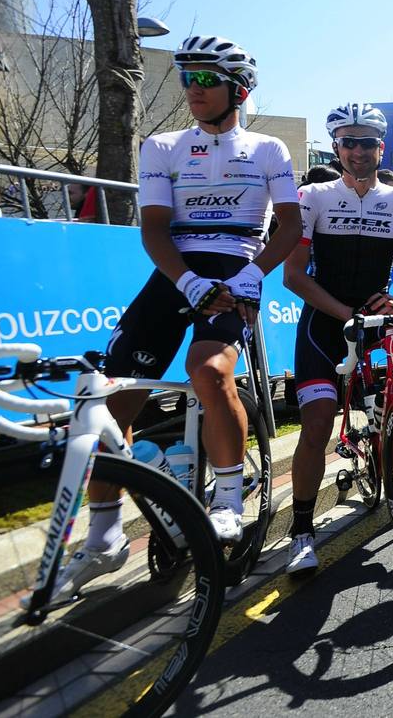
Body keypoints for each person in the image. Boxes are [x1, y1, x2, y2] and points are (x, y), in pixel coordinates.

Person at [64, 35, 300, 601]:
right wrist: (189, 282)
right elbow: (153, 229)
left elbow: (289, 228)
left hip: (237, 266)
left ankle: (226, 499)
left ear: (237, 89)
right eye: (185, 78)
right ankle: (104, 534)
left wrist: (251, 276)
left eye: (204, 79)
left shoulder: (269, 149)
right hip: (176, 271)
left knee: (210, 371)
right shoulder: (163, 145)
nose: (191, 90)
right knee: (105, 394)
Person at [282, 103, 393, 574]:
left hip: (376, 317)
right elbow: (294, 277)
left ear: (382, 148)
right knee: (316, 424)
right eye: (348, 142)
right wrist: (347, 314)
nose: (357, 151)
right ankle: (301, 533)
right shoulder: (312, 196)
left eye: (367, 143)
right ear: (336, 147)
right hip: (325, 323)